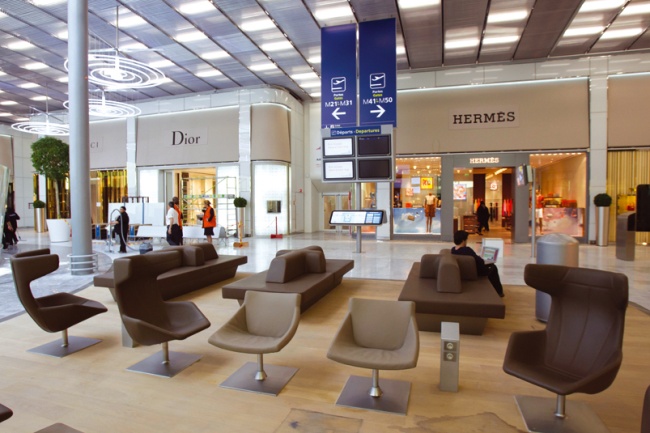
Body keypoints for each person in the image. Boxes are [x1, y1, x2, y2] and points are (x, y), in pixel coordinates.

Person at [451, 230, 504, 297]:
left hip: (465, 271)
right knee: (493, 267)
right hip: (477, 271)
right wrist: (485, 259)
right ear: (463, 240)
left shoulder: (453, 250)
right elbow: (480, 261)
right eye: (466, 239)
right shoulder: (467, 250)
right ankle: (499, 291)